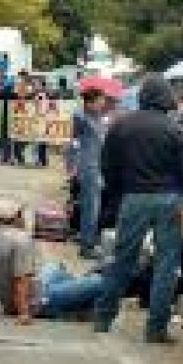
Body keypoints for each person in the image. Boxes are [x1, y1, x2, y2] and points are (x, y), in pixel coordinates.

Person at [94, 75, 183, 344]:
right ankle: (155, 330)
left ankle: (103, 318)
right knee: (167, 265)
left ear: (142, 97)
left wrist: (118, 192)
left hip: (134, 198)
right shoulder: (176, 131)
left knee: (123, 259)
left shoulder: (122, 126)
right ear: (166, 98)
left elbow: (107, 165)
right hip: (169, 200)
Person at [0, 199, 105, 322]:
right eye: (21, 214)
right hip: (37, 302)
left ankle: (78, 299)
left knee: (55, 267)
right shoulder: (21, 240)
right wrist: (24, 313)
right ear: (15, 218)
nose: (23, 218)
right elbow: (20, 281)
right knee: (99, 281)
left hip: (16, 300)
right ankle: (79, 305)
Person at [72, 88, 108, 259]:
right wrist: (72, 165)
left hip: (96, 166)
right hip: (88, 167)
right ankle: (87, 246)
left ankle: (85, 237)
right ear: (90, 102)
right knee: (91, 207)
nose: (103, 103)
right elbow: (71, 141)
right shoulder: (80, 117)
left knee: (90, 205)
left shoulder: (98, 119)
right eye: (101, 100)